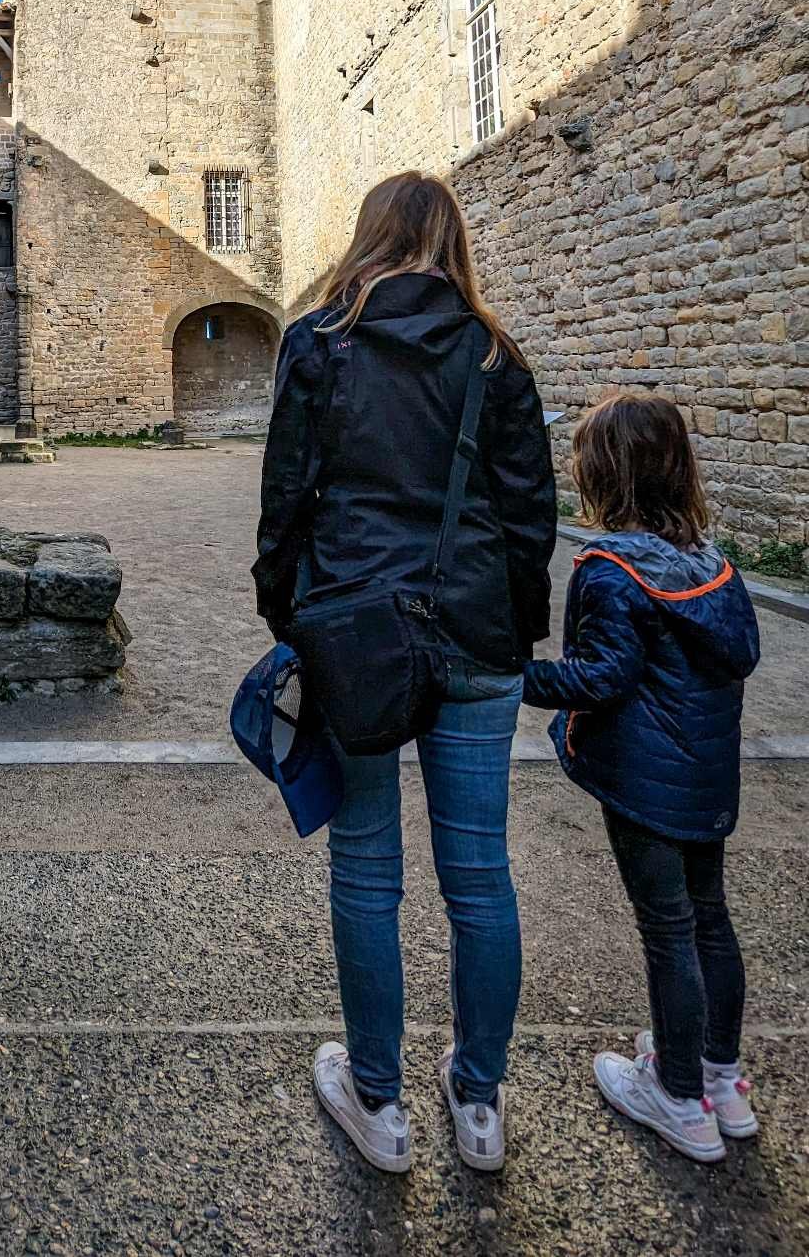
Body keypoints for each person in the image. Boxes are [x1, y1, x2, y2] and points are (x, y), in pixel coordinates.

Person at [254, 171, 557, 1175]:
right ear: (449, 240)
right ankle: (477, 1100)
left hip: (358, 636)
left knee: (365, 870)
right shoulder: (492, 353)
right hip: (473, 628)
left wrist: (288, 615)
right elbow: (526, 518)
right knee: (478, 876)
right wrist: (514, 630)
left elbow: (285, 499)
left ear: (368, 234)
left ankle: (377, 1101)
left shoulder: (317, 341)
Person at [522, 392, 760, 1163]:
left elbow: (602, 677)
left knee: (667, 932)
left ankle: (679, 1097)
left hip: (641, 782)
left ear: (602, 473)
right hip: (705, 778)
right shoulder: (714, 565)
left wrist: (514, 675)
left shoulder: (610, 571)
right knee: (710, 920)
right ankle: (720, 1078)